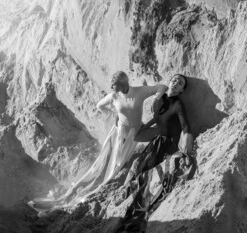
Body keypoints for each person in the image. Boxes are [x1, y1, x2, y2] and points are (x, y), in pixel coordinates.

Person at [28, 71, 167, 214]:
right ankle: (68, 195)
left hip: (135, 135)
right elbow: (99, 105)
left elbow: (162, 87)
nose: (111, 87)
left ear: (123, 84)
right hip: (118, 136)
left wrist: (156, 100)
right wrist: (114, 115)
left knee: (115, 168)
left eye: (114, 85)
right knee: (101, 169)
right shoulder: (114, 96)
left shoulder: (139, 92)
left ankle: (69, 197)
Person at [115, 74, 194, 232]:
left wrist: (187, 143)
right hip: (157, 139)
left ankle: (136, 215)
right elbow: (158, 118)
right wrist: (146, 126)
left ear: (181, 90)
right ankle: (127, 202)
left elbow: (185, 126)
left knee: (146, 174)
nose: (176, 83)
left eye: (180, 83)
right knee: (138, 167)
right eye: (175, 80)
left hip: (167, 144)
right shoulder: (161, 98)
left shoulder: (178, 104)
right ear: (170, 82)